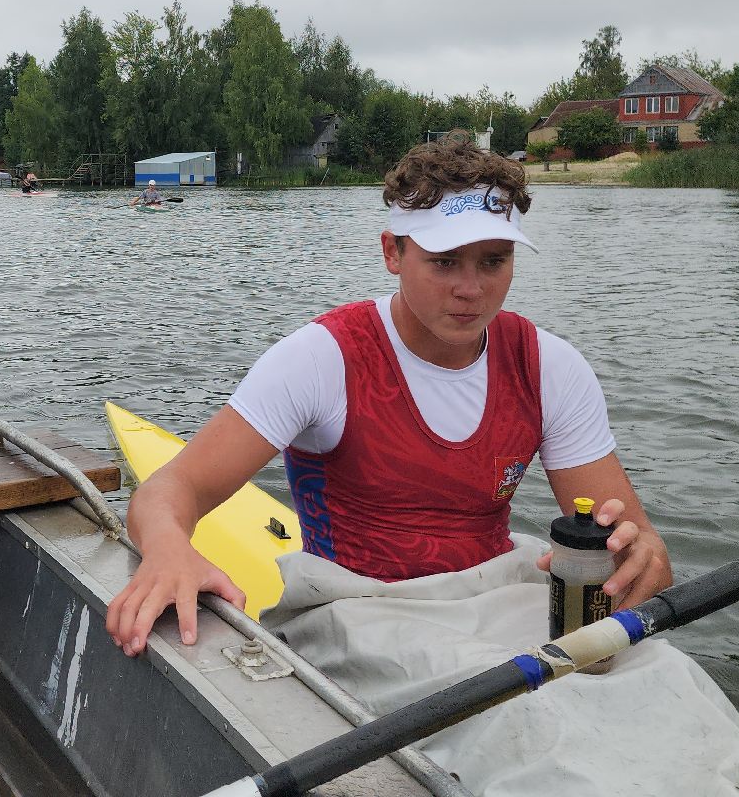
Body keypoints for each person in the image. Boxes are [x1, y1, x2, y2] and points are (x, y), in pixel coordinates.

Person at [106, 135, 673, 655]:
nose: (471, 289)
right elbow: (169, 490)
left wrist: (641, 557)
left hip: (494, 602)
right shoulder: (320, 359)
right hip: (356, 614)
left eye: (494, 261)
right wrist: (168, 549)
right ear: (392, 253)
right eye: (444, 261)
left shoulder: (550, 367)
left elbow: (641, 546)